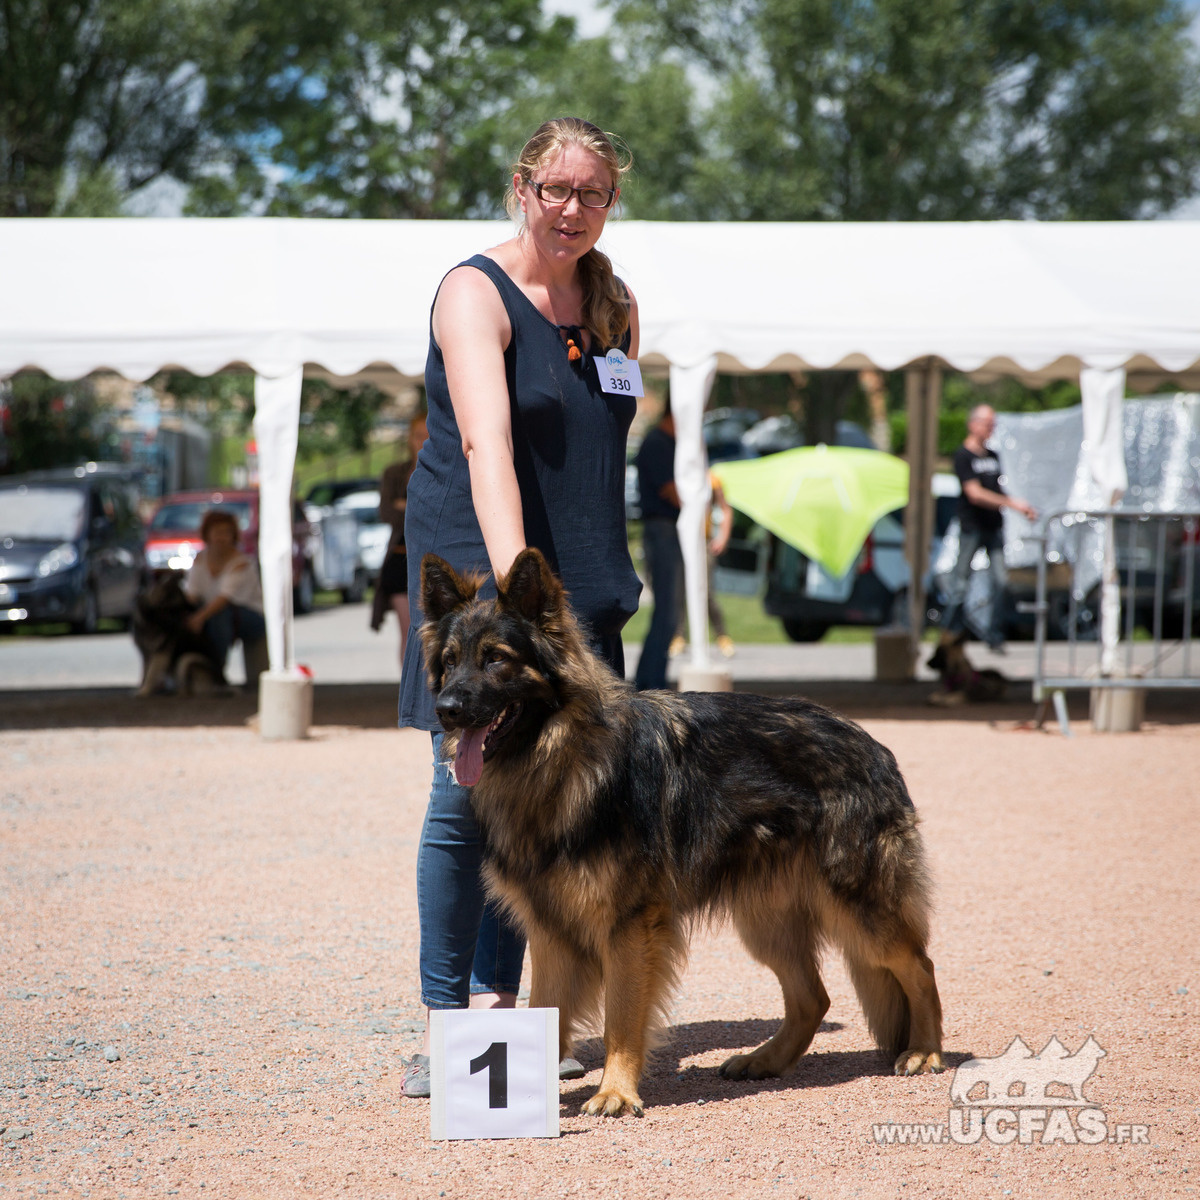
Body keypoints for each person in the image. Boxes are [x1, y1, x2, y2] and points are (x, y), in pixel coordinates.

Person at [395, 118, 642, 1097]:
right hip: (486, 580)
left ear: (611, 201)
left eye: (593, 193)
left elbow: (601, 454)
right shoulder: (473, 291)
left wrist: (599, 584)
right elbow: (486, 446)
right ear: (522, 187)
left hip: (577, 585)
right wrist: (515, 601)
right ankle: (451, 1021)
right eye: (556, 189)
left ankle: (516, 1010)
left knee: (560, 803)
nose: (573, 208)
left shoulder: (615, 304)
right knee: (467, 794)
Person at [939, 404, 1036, 651]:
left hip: (994, 527)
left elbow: (996, 490)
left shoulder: (992, 456)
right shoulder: (963, 456)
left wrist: (1019, 505)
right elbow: (975, 494)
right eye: (987, 424)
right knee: (960, 583)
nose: (991, 429)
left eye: (993, 424)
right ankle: (950, 634)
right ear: (973, 424)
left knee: (1001, 581)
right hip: (972, 527)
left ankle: (994, 634)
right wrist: (1012, 504)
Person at [371, 412, 428, 665]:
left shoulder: (444, 470)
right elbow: (387, 513)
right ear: (409, 439)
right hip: (400, 559)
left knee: (431, 631)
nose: (423, 441)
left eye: (428, 436)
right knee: (410, 631)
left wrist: (404, 505)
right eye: (418, 436)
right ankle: (409, 685)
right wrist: (418, 508)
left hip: (431, 560)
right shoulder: (395, 473)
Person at [633, 401, 682, 689]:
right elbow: (672, 491)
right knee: (666, 610)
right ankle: (650, 682)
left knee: (669, 612)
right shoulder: (658, 443)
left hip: (665, 530)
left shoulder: (663, 442)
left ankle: (651, 679)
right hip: (662, 529)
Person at [183, 509, 266, 676]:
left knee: (219, 616)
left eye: (226, 533)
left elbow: (224, 598)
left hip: (249, 615)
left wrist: (199, 618)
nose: (221, 537)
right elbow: (192, 593)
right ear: (207, 534)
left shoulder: (241, 562)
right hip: (212, 612)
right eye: (217, 532)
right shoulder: (200, 559)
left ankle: (216, 671)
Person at [670, 470, 735, 660]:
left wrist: (723, 537)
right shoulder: (678, 475)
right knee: (677, 591)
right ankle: (678, 636)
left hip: (702, 541)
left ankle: (722, 635)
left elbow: (725, 508)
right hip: (679, 541)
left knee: (705, 592)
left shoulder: (712, 479)